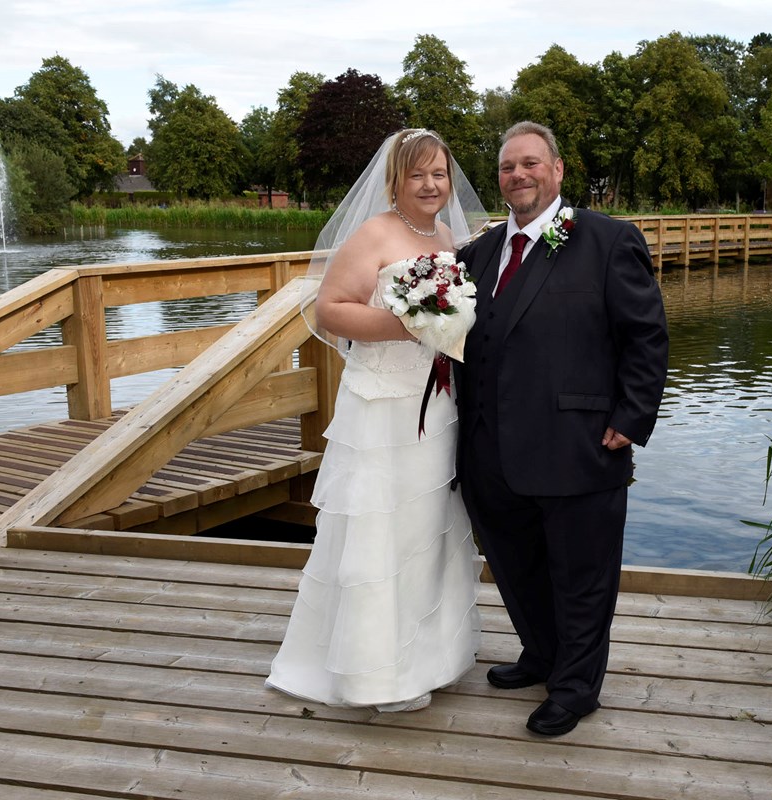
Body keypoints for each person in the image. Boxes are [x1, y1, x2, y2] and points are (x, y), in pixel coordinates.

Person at [455, 121, 669, 736]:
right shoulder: (482, 251)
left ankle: (576, 688)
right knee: (516, 566)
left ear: (558, 169)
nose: (517, 175)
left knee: (581, 576)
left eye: (529, 163)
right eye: (506, 167)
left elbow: (646, 336)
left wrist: (632, 418)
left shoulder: (606, 240)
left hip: (579, 443)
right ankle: (542, 654)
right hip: (491, 448)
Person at [266, 129, 488, 713]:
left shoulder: (446, 235)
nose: (431, 184)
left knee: (426, 528)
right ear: (395, 180)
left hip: (435, 405)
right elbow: (330, 310)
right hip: (382, 405)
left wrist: (441, 329)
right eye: (417, 175)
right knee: (380, 531)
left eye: (439, 173)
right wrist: (407, 325)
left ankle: (426, 656)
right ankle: (374, 674)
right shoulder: (374, 234)